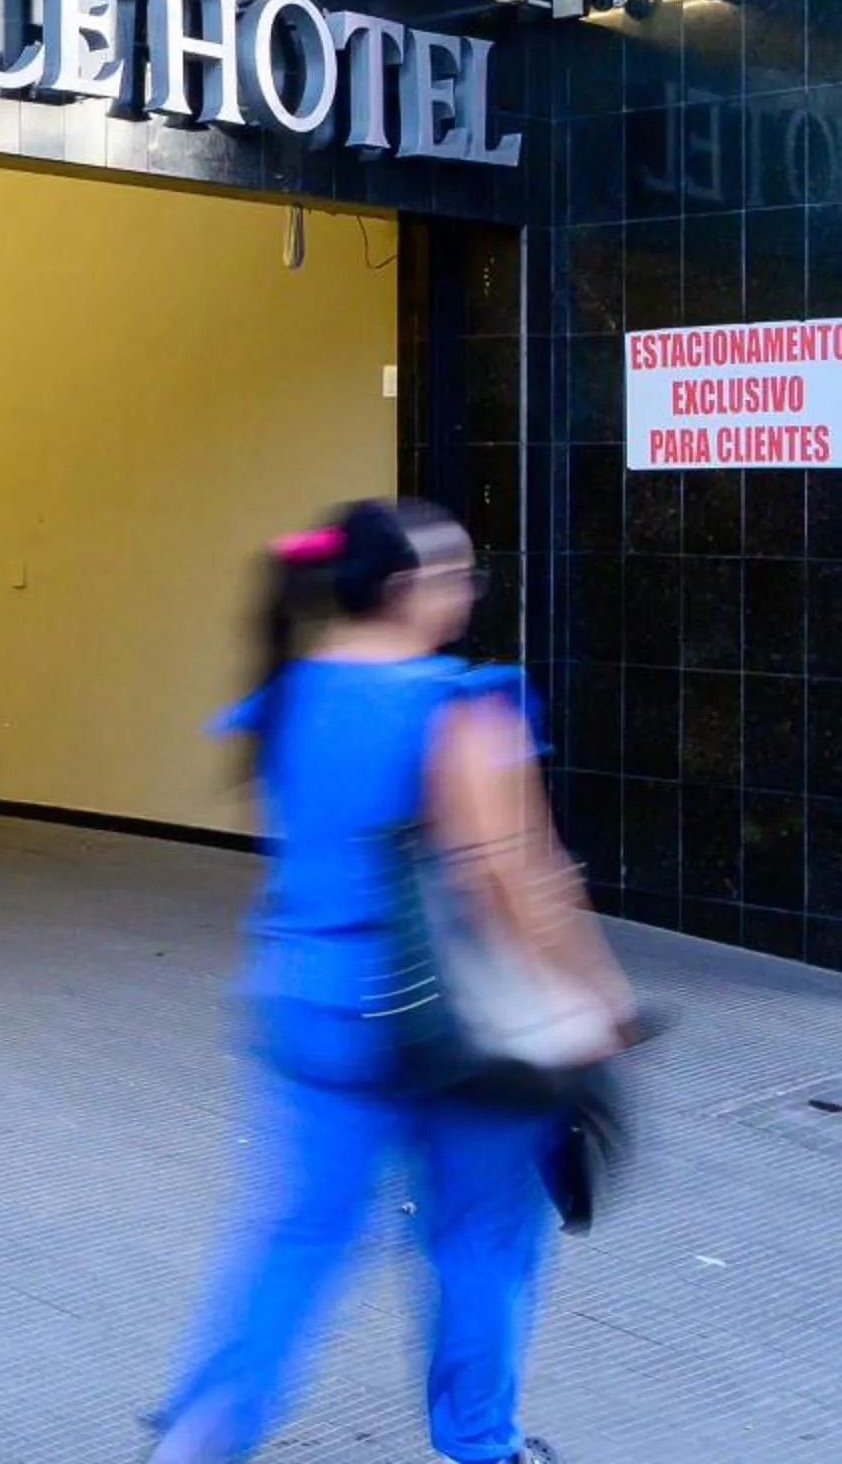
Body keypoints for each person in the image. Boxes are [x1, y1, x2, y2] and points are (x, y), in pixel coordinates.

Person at [147, 500, 636, 1464]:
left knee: (298, 1236)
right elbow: (515, 877)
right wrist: (595, 999)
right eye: (460, 575)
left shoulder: (286, 695)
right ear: (409, 590)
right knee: (480, 1242)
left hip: (308, 1002)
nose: (470, 594)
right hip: (453, 1027)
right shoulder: (463, 704)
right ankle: (480, 1444)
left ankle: (201, 1435)